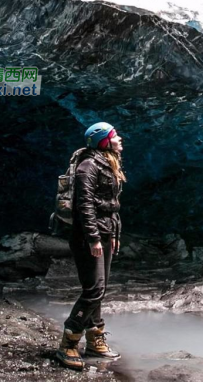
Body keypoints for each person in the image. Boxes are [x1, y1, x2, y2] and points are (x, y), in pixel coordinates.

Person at [55, 122, 125, 370]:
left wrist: (113, 234)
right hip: (87, 237)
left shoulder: (109, 163)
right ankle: (68, 344)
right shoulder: (88, 166)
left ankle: (95, 340)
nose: (120, 139)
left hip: (104, 233)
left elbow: (111, 204)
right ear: (103, 141)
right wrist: (93, 238)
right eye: (115, 136)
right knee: (94, 289)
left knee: (100, 289)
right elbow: (84, 207)